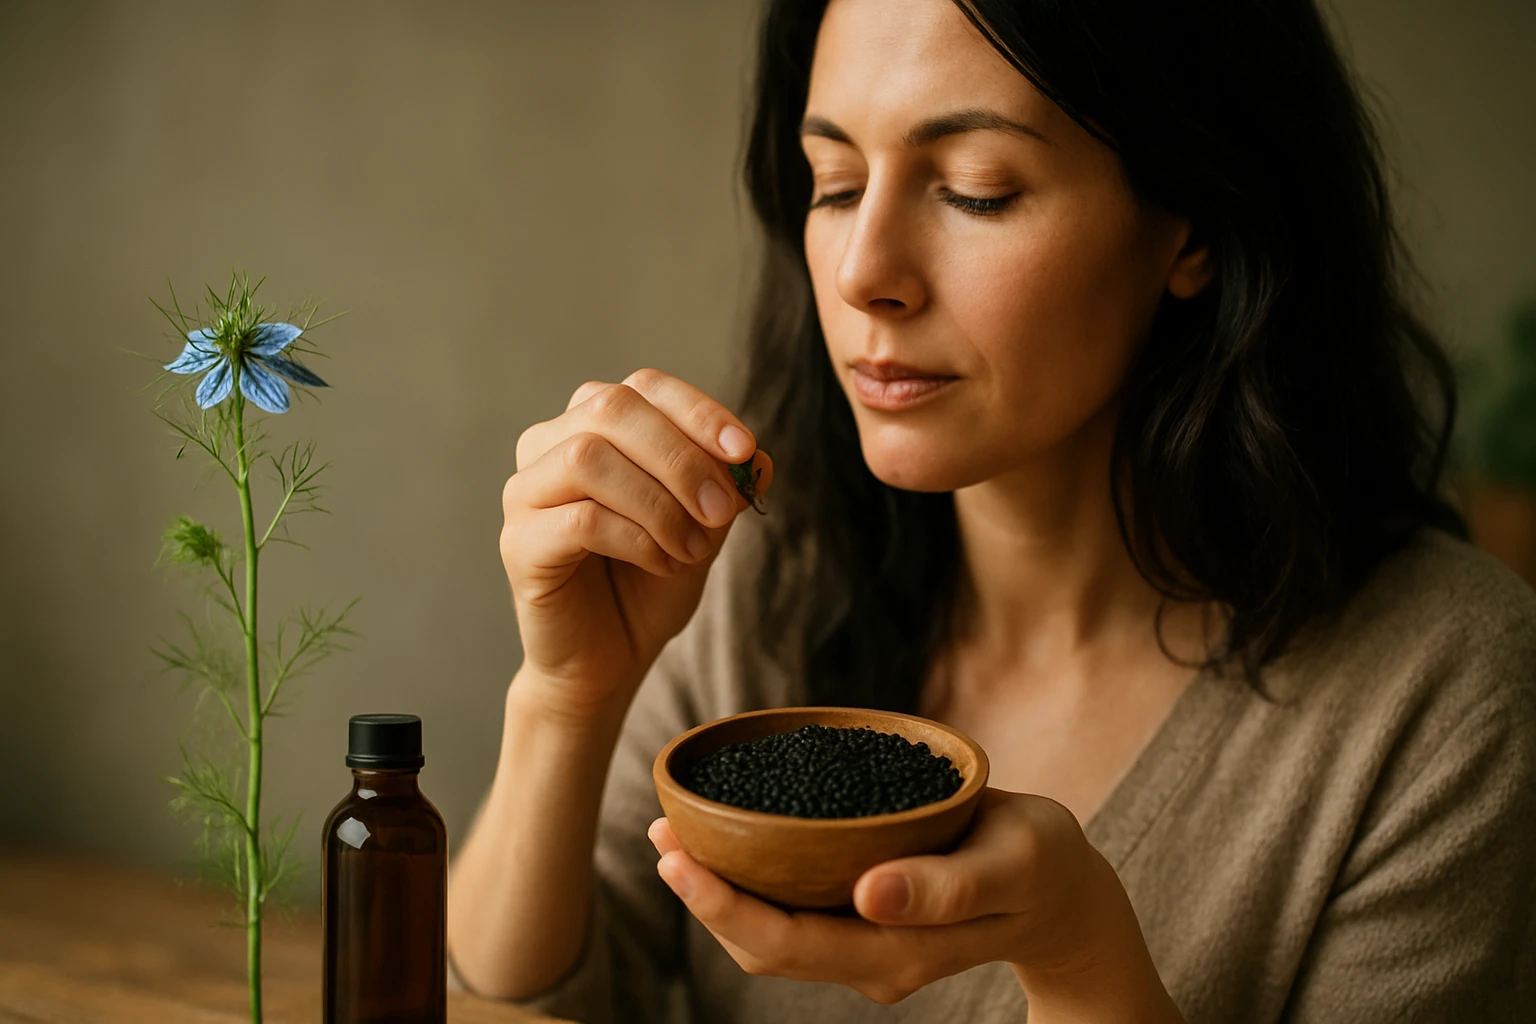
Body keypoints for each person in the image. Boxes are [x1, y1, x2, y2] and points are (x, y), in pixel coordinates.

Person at [445, 0, 1536, 1020]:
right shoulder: (759, 590)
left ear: (1195, 226)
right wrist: (563, 697)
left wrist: (1080, 963)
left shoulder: (1443, 689)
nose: (866, 272)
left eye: (976, 188)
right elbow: (510, 995)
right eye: (832, 183)